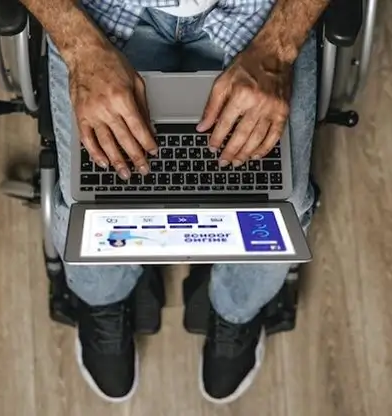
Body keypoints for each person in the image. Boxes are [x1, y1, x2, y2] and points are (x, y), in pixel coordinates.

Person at [21, 0, 328, 404]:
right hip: (100, 14)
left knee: (277, 207)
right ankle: (104, 300)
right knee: (89, 206)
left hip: (261, 15)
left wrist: (278, 45)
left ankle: (235, 310)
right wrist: (80, 47)